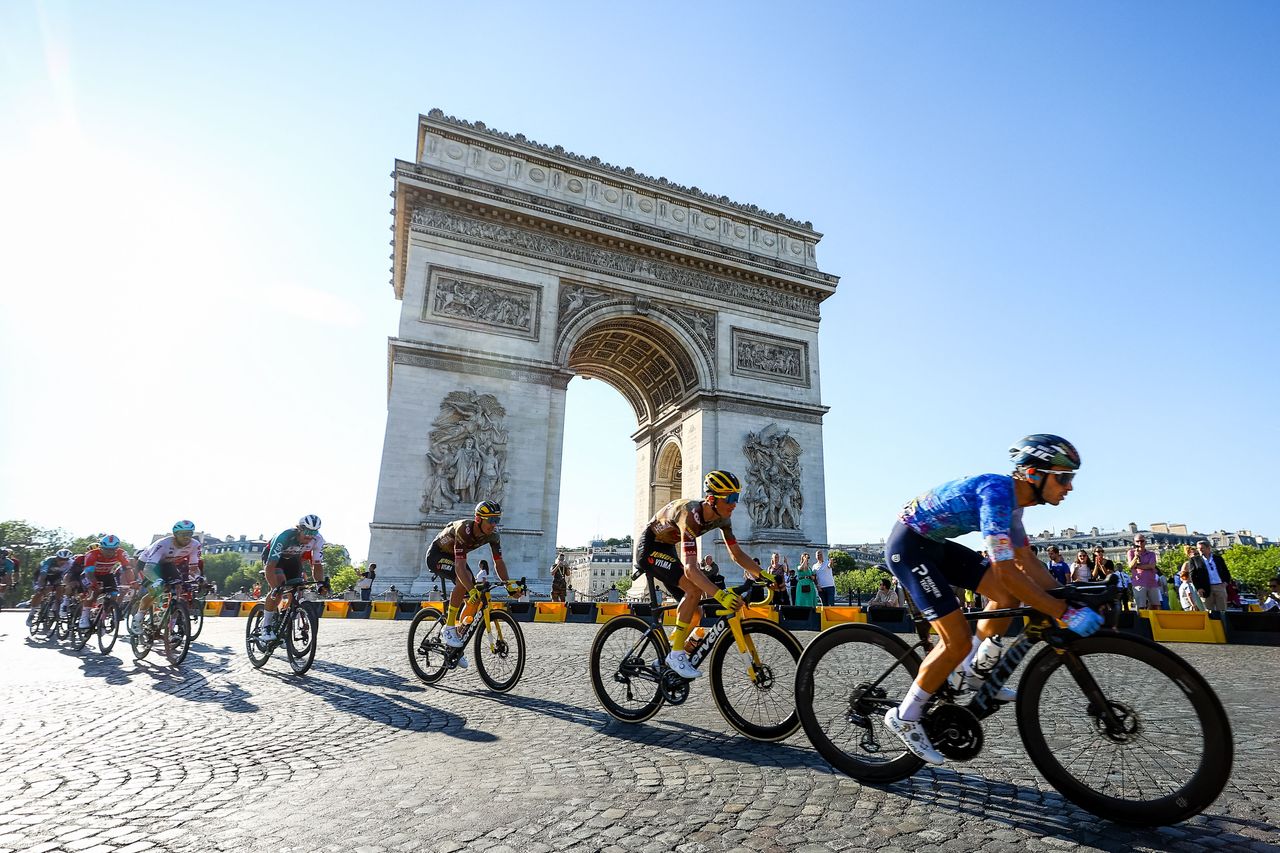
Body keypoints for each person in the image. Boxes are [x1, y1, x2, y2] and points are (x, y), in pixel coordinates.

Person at [882, 434, 1102, 766]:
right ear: (1034, 474)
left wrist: (1069, 596)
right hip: (909, 547)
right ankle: (906, 715)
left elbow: (1025, 563)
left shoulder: (1015, 506)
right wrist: (1062, 612)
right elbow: (1007, 570)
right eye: (1064, 477)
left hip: (935, 544)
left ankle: (972, 670)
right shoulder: (998, 495)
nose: (1069, 486)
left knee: (1006, 595)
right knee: (954, 640)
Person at [635, 470, 771, 679]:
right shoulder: (690, 515)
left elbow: (736, 554)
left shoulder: (723, 518)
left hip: (668, 547)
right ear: (711, 499)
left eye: (737, 497)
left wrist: (766, 576)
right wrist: (721, 595)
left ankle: (666, 655)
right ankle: (676, 654)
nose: (735, 503)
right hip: (650, 548)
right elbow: (691, 569)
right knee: (694, 588)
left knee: (696, 612)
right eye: (730, 498)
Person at [425, 501, 521, 654]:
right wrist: (470, 589)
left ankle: (456, 641)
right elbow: (460, 567)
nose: (494, 525)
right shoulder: (464, 529)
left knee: (475, 598)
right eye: (491, 520)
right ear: (478, 519)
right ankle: (449, 627)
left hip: (456, 558)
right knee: (466, 582)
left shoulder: (494, 536)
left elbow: (499, 562)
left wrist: (508, 585)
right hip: (437, 555)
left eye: (497, 520)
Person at [258, 515, 329, 643]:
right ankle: (266, 626)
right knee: (279, 587)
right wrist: (275, 588)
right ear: (299, 529)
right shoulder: (284, 536)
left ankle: (285, 621)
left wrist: (320, 584)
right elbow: (270, 567)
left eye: (313, 533)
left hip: (293, 559)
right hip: (275, 559)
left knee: (298, 587)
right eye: (307, 532)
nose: (309, 536)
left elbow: (317, 564)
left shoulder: (318, 540)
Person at [132, 520, 202, 635]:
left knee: (178, 585)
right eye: (183, 534)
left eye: (189, 534)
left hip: (166, 563)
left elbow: (194, 567)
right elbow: (148, 569)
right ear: (175, 534)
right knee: (157, 589)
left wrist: (198, 578)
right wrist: (157, 580)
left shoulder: (195, 545)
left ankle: (170, 621)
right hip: (147, 564)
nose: (186, 537)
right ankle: (138, 618)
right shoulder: (163, 543)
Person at [80, 535, 131, 630]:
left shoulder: (121, 553)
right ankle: (84, 617)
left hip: (107, 575)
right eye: (106, 549)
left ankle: (102, 618)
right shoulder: (92, 554)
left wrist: (132, 582)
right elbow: (89, 573)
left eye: (112, 550)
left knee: (114, 594)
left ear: (117, 549)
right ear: (101, 548)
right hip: (90, 574)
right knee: (93, 593)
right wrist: (95, 584)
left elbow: (127, 569)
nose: (109, 552)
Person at [27, 549, 73, 625]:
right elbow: (42, 575)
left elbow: (69, 575)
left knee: (60, 588)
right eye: (60, 559)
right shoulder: (49, 561)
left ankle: (55, 609)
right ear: (57, 557)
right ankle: (31, 614)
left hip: (56, 576)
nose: (63, 561)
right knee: (40, 592)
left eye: (66, 559)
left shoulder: (70, 563)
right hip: (41, 575)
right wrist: (40, 586)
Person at [1189, 540, 1233, 612]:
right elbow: (1193, 575)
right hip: (1205, 588)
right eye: (1198, 548)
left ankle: (1223, 622)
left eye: (1202, 548)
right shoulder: (1195, 560)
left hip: (1219, 586)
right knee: (1209, 610)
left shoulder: (1218, 558)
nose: (1200, 550)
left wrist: (1225, 583)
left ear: (1208, 548)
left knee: (1222, 610)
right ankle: (1211, 623)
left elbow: (1226, 572)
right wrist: (1198, 588)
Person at [1127, 534, 1159, 610]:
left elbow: (1152, 566)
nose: (1140, 543)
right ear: (1134, 542)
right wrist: (1135, 557)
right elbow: (1131, 566)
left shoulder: (1151, 554)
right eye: (1137, 541)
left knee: (1156, 605)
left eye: (1142, 541)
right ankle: (1142, 621)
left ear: (1145, 542)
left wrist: (1137, 566)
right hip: (1139, 583)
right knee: (1141, 606)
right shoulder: (1131, 552)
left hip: (1151, 582)